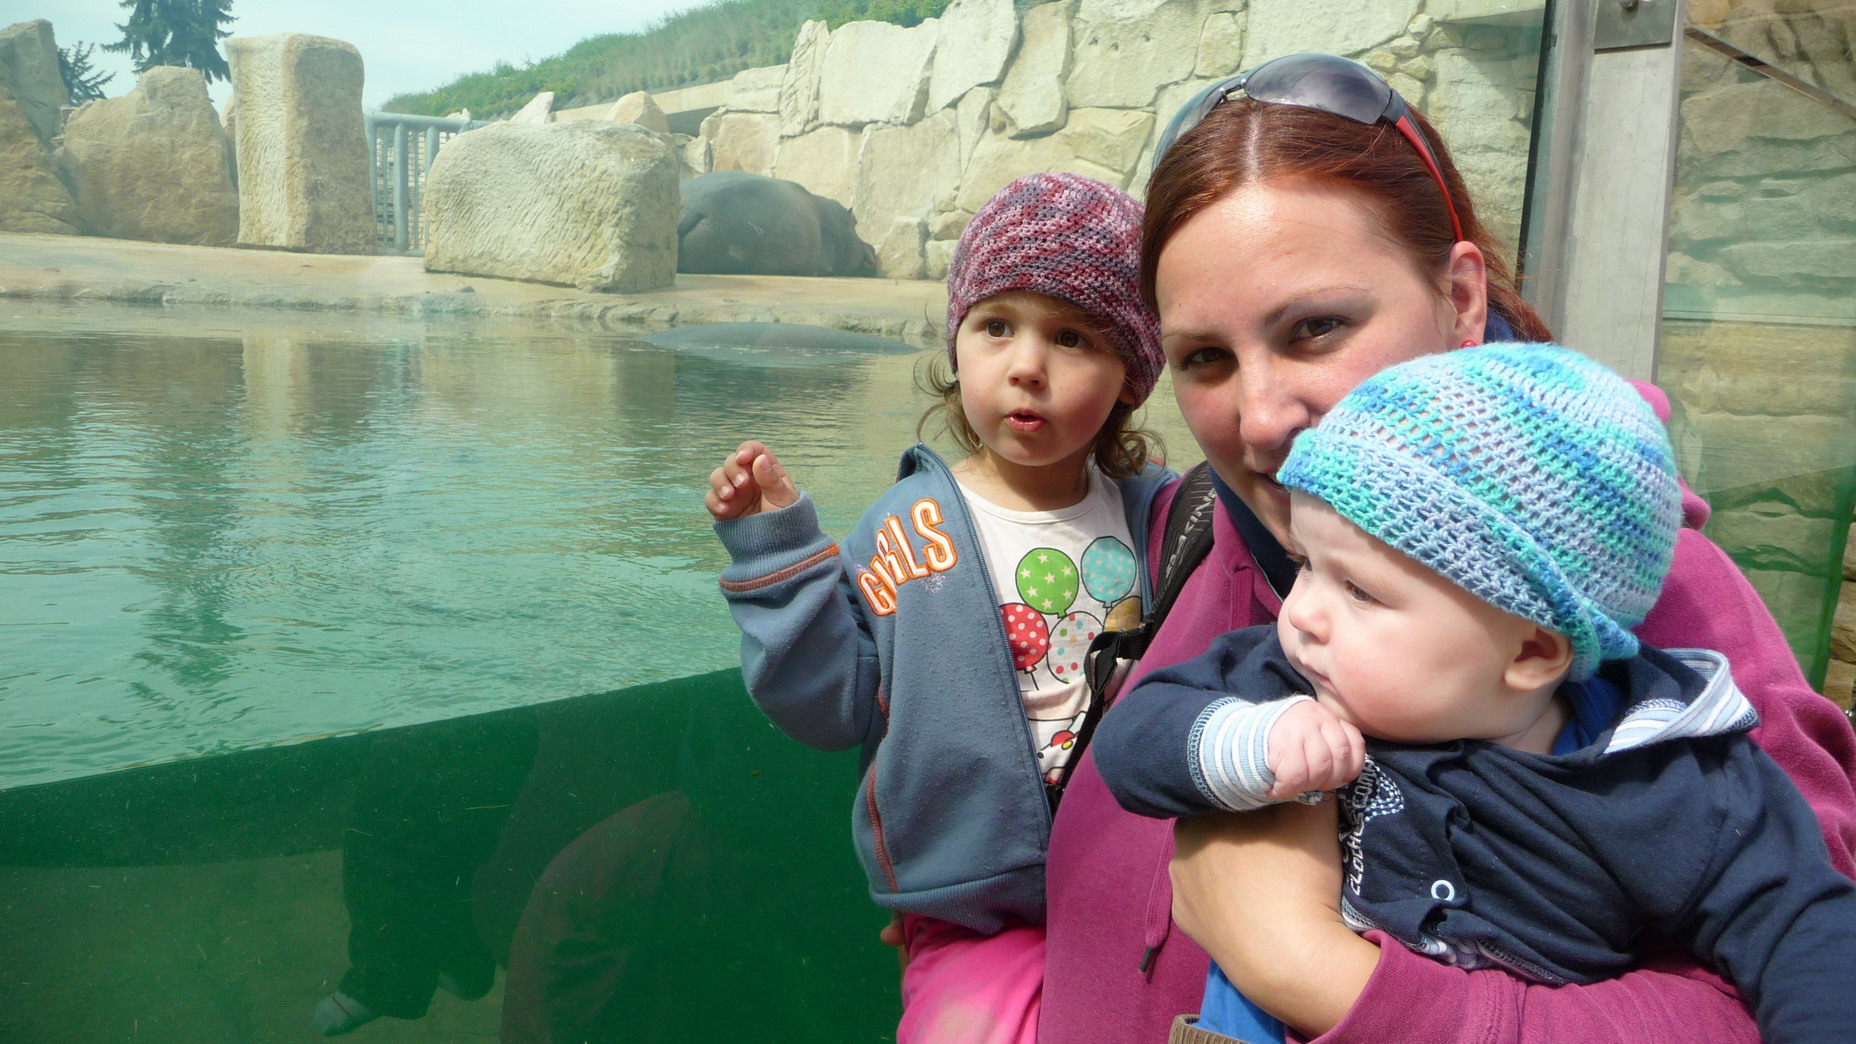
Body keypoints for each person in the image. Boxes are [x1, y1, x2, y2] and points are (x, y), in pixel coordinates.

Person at [1036, 52, 1856, 1044]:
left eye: (1315, 328)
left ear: (1460, 299)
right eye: (1204, 357)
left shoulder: (1641, 612)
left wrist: (1321, 976)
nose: (1258, 420)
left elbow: (1787, 972)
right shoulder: (1199, 526)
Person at [1094, 342, 1856, 1044]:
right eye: (1306, 565)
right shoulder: (1288, 682)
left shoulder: (1664, 781)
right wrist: (1247, 742)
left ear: (1530, 651)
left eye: (1359, 589)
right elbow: (1133, 741)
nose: (1302, 614)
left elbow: (1802, 930)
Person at [704, 172, 1172, 1044]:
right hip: (971, 903)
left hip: (1148, 884)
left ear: (1132, 375)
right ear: (956, 345)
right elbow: (833, 704)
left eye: (1072, 337)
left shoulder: (1165, 522)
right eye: (996, 326)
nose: (1025, 365)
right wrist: (777, 558)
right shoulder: (905, 530)